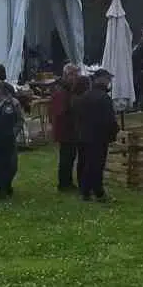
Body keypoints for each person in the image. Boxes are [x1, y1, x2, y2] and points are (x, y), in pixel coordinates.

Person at [74, 69, 117, 203]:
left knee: (85, 163)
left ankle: (85, 190)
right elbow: (109, 119)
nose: (109, 82)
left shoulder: (85, 96)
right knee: (97, 165)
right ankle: (98, 192)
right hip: (99, 136)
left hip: (83, 135)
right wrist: (113, 132)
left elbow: (78, 116)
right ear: (101, 80)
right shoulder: (104, 98)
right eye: (108, 79)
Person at [50, 63, 83, 192]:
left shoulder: (68, 89)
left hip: (70, 128)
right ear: (66, 75)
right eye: (73, 74)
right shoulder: (61, 90)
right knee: (66, 157)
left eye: (77, 74)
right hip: (65, 129)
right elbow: (60, 111)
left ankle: (67, 182)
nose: (75, 77)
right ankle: (64, 184)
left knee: (70, 156)